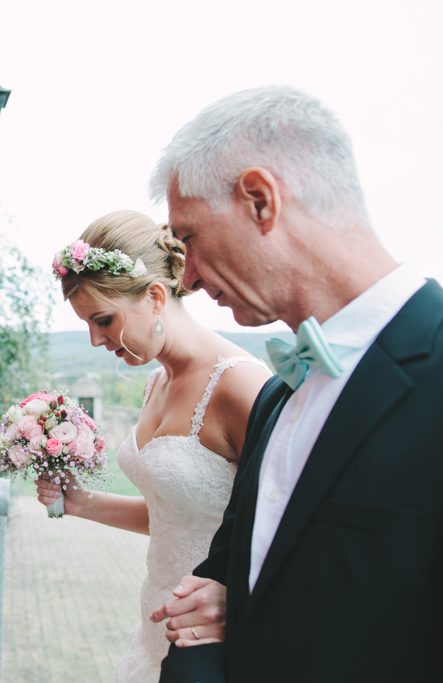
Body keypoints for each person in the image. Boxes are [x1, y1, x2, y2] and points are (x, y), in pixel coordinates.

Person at [148, 86, 440, 683]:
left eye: (190, 239)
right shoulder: (279, 396)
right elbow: (232, 582)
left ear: (261, 200)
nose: (191, 279)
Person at [37, 210, 270, 683]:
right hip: (155, 621)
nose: (95, 340)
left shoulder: (239, 386)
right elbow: (174, 515)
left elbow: (290, 529)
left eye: (103, 320)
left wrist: (242, 601)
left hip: (214, 638)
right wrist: (79, 503)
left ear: (157, 296)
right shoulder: (155, 385)